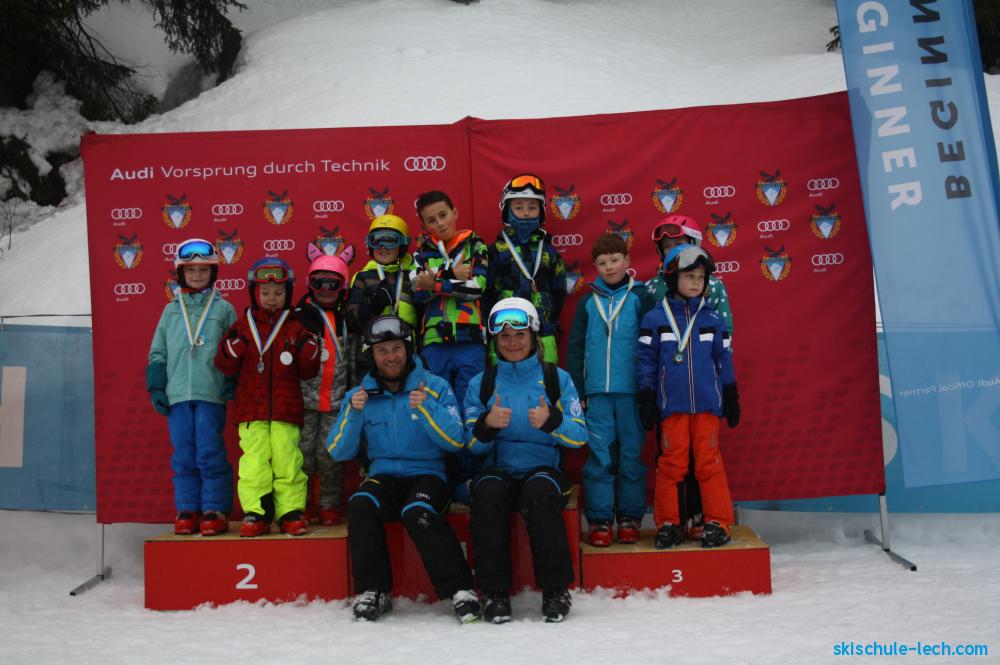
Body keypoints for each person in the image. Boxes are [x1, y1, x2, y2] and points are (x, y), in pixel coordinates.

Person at [326, 315, 480, 623]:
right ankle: (373, 590)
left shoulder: (434, 387)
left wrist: (425, 407)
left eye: (396, 348)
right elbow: (338, 451)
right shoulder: (360, 395)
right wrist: (353, 413)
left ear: (408, 350)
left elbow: (456, 441)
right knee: (361, 503)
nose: (391, 357)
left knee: (417, 510)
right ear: (371, 355)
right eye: (382, 351)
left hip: (429, 475)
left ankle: (461, 590)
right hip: (383, 476)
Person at [463, 298, 588, 623]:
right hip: (499, 468)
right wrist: (487, 425)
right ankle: (494, 593)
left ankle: (556, 590)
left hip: (543, 468)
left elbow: (579, 436)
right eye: (504, 336)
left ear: (533, 336)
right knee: (487, 493)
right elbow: (472, 445)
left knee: (540, 494)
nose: (512, 343)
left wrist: (552, 422)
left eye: (519, 335)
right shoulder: (482, 383)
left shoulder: (556, 379)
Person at [636, 245, 740, 550]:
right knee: (671, 464)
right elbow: (646, 361)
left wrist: (731, 393)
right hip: (672, 407)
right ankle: (669, 523)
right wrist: (646, 396)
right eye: (689, 276)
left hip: (707, 406)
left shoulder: (713, 319)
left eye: (700, 277)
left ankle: (717, 522)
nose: (696, 282)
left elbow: (724, 359)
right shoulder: (655, 319)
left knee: (708, 463)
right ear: (672, 279)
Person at [215, 257, 321, 537]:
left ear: (288, 293)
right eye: (265, 292)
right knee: (255, 461)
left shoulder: (296, 328)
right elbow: (223, 365)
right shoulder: (242, 326)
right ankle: (257, 512)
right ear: (254, 293)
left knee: (288, 459)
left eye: (278, 293)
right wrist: (230, 351)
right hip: (251, 410)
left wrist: (311, 353)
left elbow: (309, 372)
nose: (272, 298)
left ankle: (290, 511)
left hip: (286, 409)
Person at [566, 233, 654, 547]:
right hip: (596, 394)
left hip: (631, 392)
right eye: (602, 263)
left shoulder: (641, 298)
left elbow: (651, 346)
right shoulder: (588, 303)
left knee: (630, 456)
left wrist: (648, 389)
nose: (609, 267)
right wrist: (579, 390)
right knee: (599, 457)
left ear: (627, 260)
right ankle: (600, 520)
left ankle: (630, 517)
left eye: (615, 260)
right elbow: (575, 349)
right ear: (595, 266)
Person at [147, 238, 237, 536]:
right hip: (178, 396)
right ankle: (187, 508)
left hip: (210, 392)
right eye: (191, 270)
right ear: (181, 273)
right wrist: (156, 386)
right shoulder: (170, 311)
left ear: (213, 272)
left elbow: (236, 349)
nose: (197, 274)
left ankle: (214, 509)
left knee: (209, 452)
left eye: (203, 269)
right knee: (184, 453)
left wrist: (232, 379)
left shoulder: (224, 309)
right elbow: (158, 351)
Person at [411, 190, 489, 502]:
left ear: (455, 212)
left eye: (443, 215)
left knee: (470, 407)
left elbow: (477, 288)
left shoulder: (475, 245)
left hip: (469, 339)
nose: (440, 224)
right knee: (440, 408)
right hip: (433, 342)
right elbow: (418, 294)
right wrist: (451, 276)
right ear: (424, 225)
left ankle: (471, 478)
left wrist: (436, 282)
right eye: (431, 220)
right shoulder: (420, 252)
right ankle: (442, 478)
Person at [293, 245, 353, 526]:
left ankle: (329, 505)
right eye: (319, 283)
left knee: (331, 457)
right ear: (309, 284)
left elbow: (353, 359)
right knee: (302, 456)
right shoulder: (298, 317)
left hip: (336, 402)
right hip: (304, 402)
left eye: (333, 284)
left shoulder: (347, 318)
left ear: (343, 286)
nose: (325, 289)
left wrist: (354, 392)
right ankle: (299, 505)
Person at [485, 174, 567, 364]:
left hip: (543, 331)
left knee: (546, 378)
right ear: (507, 210)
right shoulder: (496, 251)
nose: (526, 213)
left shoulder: (549, 252)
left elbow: (559, 291)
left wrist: (549, 318)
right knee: (503, 378)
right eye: (519, 207)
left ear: (541, 211)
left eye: (532, 207)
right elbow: (487, 293)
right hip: (506, 331)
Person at [346, 214, 418, 379]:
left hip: (408, 353)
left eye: (390, 241)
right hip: (371, 357)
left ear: (403, 244)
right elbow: (351, 321)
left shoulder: (413, 275)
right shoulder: (363, 277)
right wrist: (372, 304)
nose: (382, 247)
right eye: (376, 241)